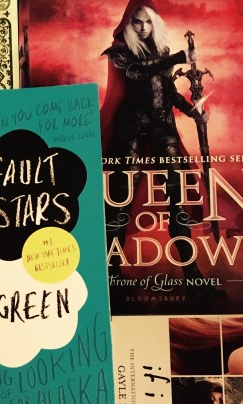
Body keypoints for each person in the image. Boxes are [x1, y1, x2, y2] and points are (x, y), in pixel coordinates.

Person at [100, 0, 223, 299]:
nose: (143, 27)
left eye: (148, 21)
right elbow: (137, 73)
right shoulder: (119, 53)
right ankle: (110, 278)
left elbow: (168, 92)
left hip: (163, 131)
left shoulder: (162, 52)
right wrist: (179, 57)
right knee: (119, 206)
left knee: (177, 204)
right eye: (137, 21)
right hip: (130, 132)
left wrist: (193, 112)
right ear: (128, 23)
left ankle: (192, 276)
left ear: (155, 22)